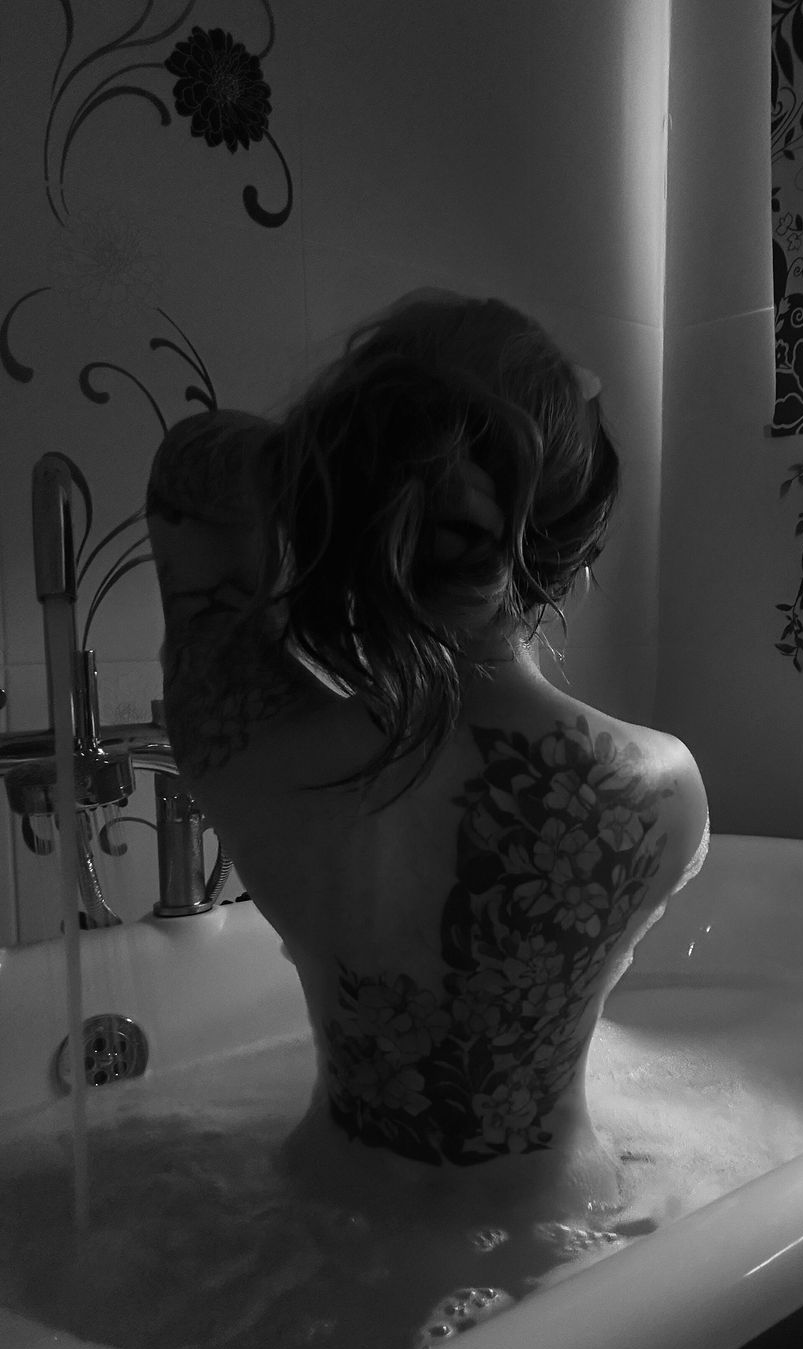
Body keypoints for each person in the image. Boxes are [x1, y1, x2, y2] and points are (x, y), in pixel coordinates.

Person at [145, 288, 710, 1227]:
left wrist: (343, 468)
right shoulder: (660, 789)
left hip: (320, 1223)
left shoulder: (239, 735)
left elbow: (187, 472)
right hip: (559, 1237)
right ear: (570, 544)